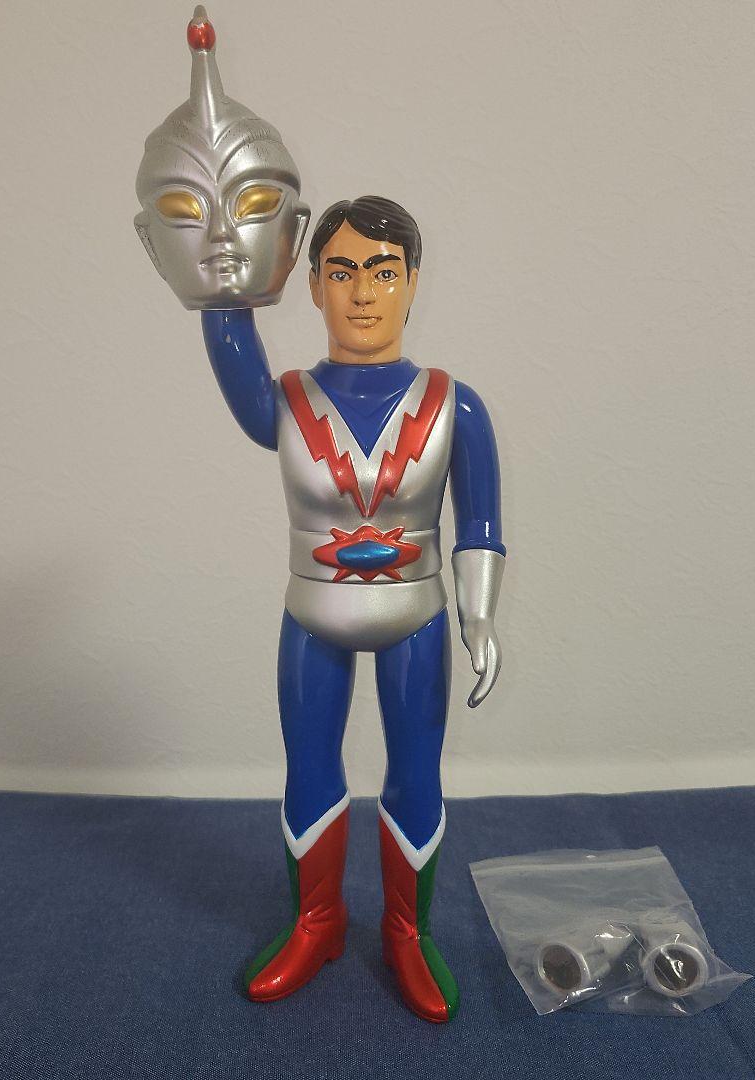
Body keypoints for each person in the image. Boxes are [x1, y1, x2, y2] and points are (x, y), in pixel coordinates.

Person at [201, 195, 506, 1023]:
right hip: (312, 616)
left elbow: (480, 523)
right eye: (340, 272)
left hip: (418, 616)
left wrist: (479, 616)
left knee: (415, 772)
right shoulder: (288, 401)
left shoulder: (456, 405)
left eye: (382, 271)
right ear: (312, 286)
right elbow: (228, 335)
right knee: (309, 766)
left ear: (412, 281)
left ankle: (408, 933)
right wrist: (222, 278)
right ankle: (317, 921)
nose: (362, 292)